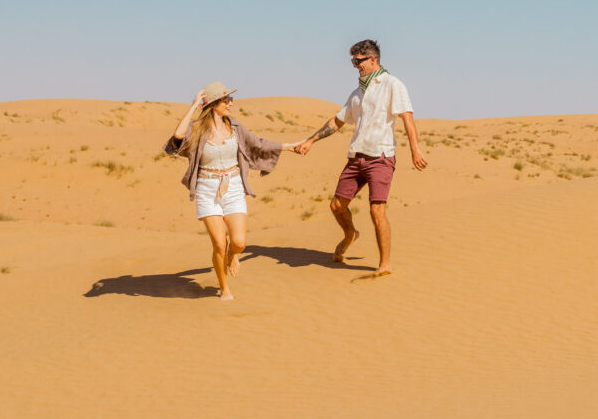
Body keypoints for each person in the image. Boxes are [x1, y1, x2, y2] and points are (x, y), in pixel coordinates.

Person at [296, 40, 428, 275]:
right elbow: (337, 121)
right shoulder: (357, 93)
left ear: (373, 59)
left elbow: (407, 117)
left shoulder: (392, 84)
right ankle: (350, 235)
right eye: (353, 61)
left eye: (358, 61)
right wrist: (310, 140)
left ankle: (384, 265)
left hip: (381, 156)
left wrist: (415, 150)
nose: (355, 65)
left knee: (376, 210)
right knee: (337, 206)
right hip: (356, 157)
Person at [164, 81, 299, 301]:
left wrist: (290, 146)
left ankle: (232, 256)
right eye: (226, 100)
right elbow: (177, 137)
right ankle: (224, 287)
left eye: (229, 99)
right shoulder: (197, 130)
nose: (230, 103)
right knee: (219, 242)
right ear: (213, 104)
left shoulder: (235, 127)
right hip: (207, 189)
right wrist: (193, 106)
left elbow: (259, 144)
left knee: (238, 243)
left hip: (233, 187)